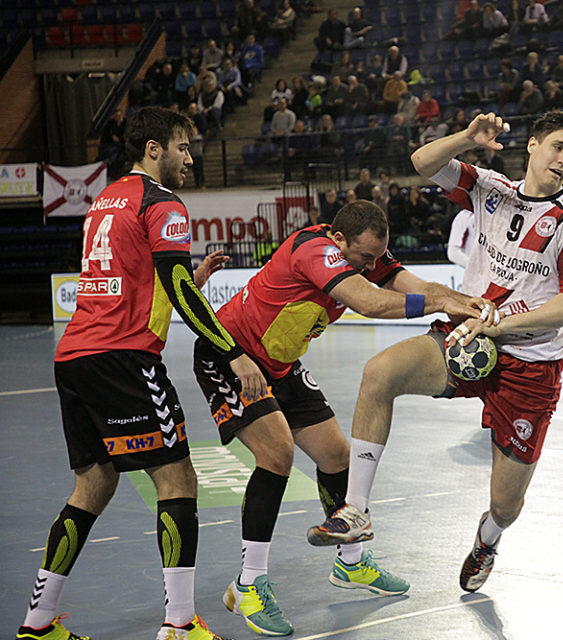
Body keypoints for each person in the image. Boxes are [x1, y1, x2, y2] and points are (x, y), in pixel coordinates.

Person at [308, 111, 563, 594]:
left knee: (505, 504)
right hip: (464, 338)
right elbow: (422, 162)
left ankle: (488, 540)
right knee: (380, 372)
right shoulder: (491, 189)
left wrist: (498, 325)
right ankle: (355, 509)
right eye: (557, 146)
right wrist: (466, 137)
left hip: (530, 366)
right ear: (532, 146)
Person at [16, 107, 269, 640]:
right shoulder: (162, 201)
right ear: (154, 149)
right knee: (178, 480)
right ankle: (179, 624)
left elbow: (136, 280)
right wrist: (233, 353)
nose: (190, 158)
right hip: (124, 358)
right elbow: (176, 289)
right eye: (183, 147)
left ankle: (37, 621)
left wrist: (187, 279)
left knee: (92, 485)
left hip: (75, 356)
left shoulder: (105, 200)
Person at [193, 201, 486, 635]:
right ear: (338, 240)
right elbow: (369, 302)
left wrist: (458, 300)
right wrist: (439, 302)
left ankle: (350, 563)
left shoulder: (360, 253)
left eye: (375, 258)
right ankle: (248, 584)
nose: (370, 266)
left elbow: (409, 282)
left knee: (336, 455)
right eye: (364, 257)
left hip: (280, 364)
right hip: (231, 356)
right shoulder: (314, 249)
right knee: (277, 455)